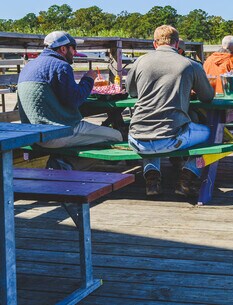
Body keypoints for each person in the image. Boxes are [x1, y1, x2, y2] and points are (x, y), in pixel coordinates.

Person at [126, 25, 214, 197]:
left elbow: (131, 92)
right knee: (214, 134)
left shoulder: (140, 62)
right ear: (176, 44)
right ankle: (186, 177)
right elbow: (207, 96)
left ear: (154, 44)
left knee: (151, 129)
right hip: (169, 139)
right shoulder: (190, 64)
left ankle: (152, 179)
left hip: (136, 138)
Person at [17, 31, 123, 169]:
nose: (75, 52)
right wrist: (88, 79)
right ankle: (67, 164)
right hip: (58, 133)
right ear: (63, 49)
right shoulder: (60, 66)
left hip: (34, 134)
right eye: (73, 48)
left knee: (89, 137)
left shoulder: (29, 66)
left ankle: (62, 159)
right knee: (116, 136)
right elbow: (75, 100)